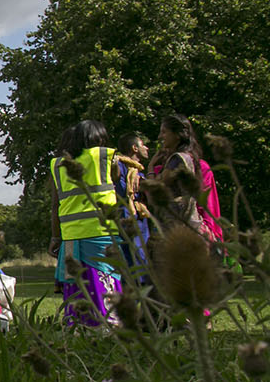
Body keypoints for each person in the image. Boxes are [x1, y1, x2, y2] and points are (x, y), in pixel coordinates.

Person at [48, 120, 121, 327]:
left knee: (75, 286)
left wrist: (55, 237)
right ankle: (110, 326)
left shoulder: (58, 165)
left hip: (70, 237)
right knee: (106, 280)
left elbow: (55, 205)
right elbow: (117, 177)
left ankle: (77, 326)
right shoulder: (105, 157)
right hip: (100, 233)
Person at [148, 113, 218, 242]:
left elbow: (156, 186)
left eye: (164, 132)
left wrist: (151, 167)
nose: (160, 137)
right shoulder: (187, 157)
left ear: (177, 135)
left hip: (181, 227)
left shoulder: (178, 159)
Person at [114, 133, 151, 271]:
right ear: (134, 148)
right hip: (128, 214)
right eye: (143, 145)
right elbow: (123, 190)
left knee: (143, 251)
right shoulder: (120, 165)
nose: (147, 148)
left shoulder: (138, 169)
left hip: (140, 214)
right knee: (133, 252)